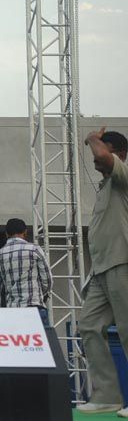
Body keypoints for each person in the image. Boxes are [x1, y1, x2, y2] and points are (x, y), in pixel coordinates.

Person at [76, 129, 128, 416]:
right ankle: (107, 395)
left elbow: (103, 156)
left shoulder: (123, 175)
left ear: (120, 154)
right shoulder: (106, 185)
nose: (96, 160)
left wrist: (91, 138)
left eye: (103, 152)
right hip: (101, 270)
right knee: (88, 325)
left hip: (122, 263)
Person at [0, 218, 52, 327]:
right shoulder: (34, 249)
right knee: (40, 338)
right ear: (25, 232)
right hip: (34, 306)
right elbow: (47, 279)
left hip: (13, 311)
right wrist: (40, 294)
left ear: (6, 234)